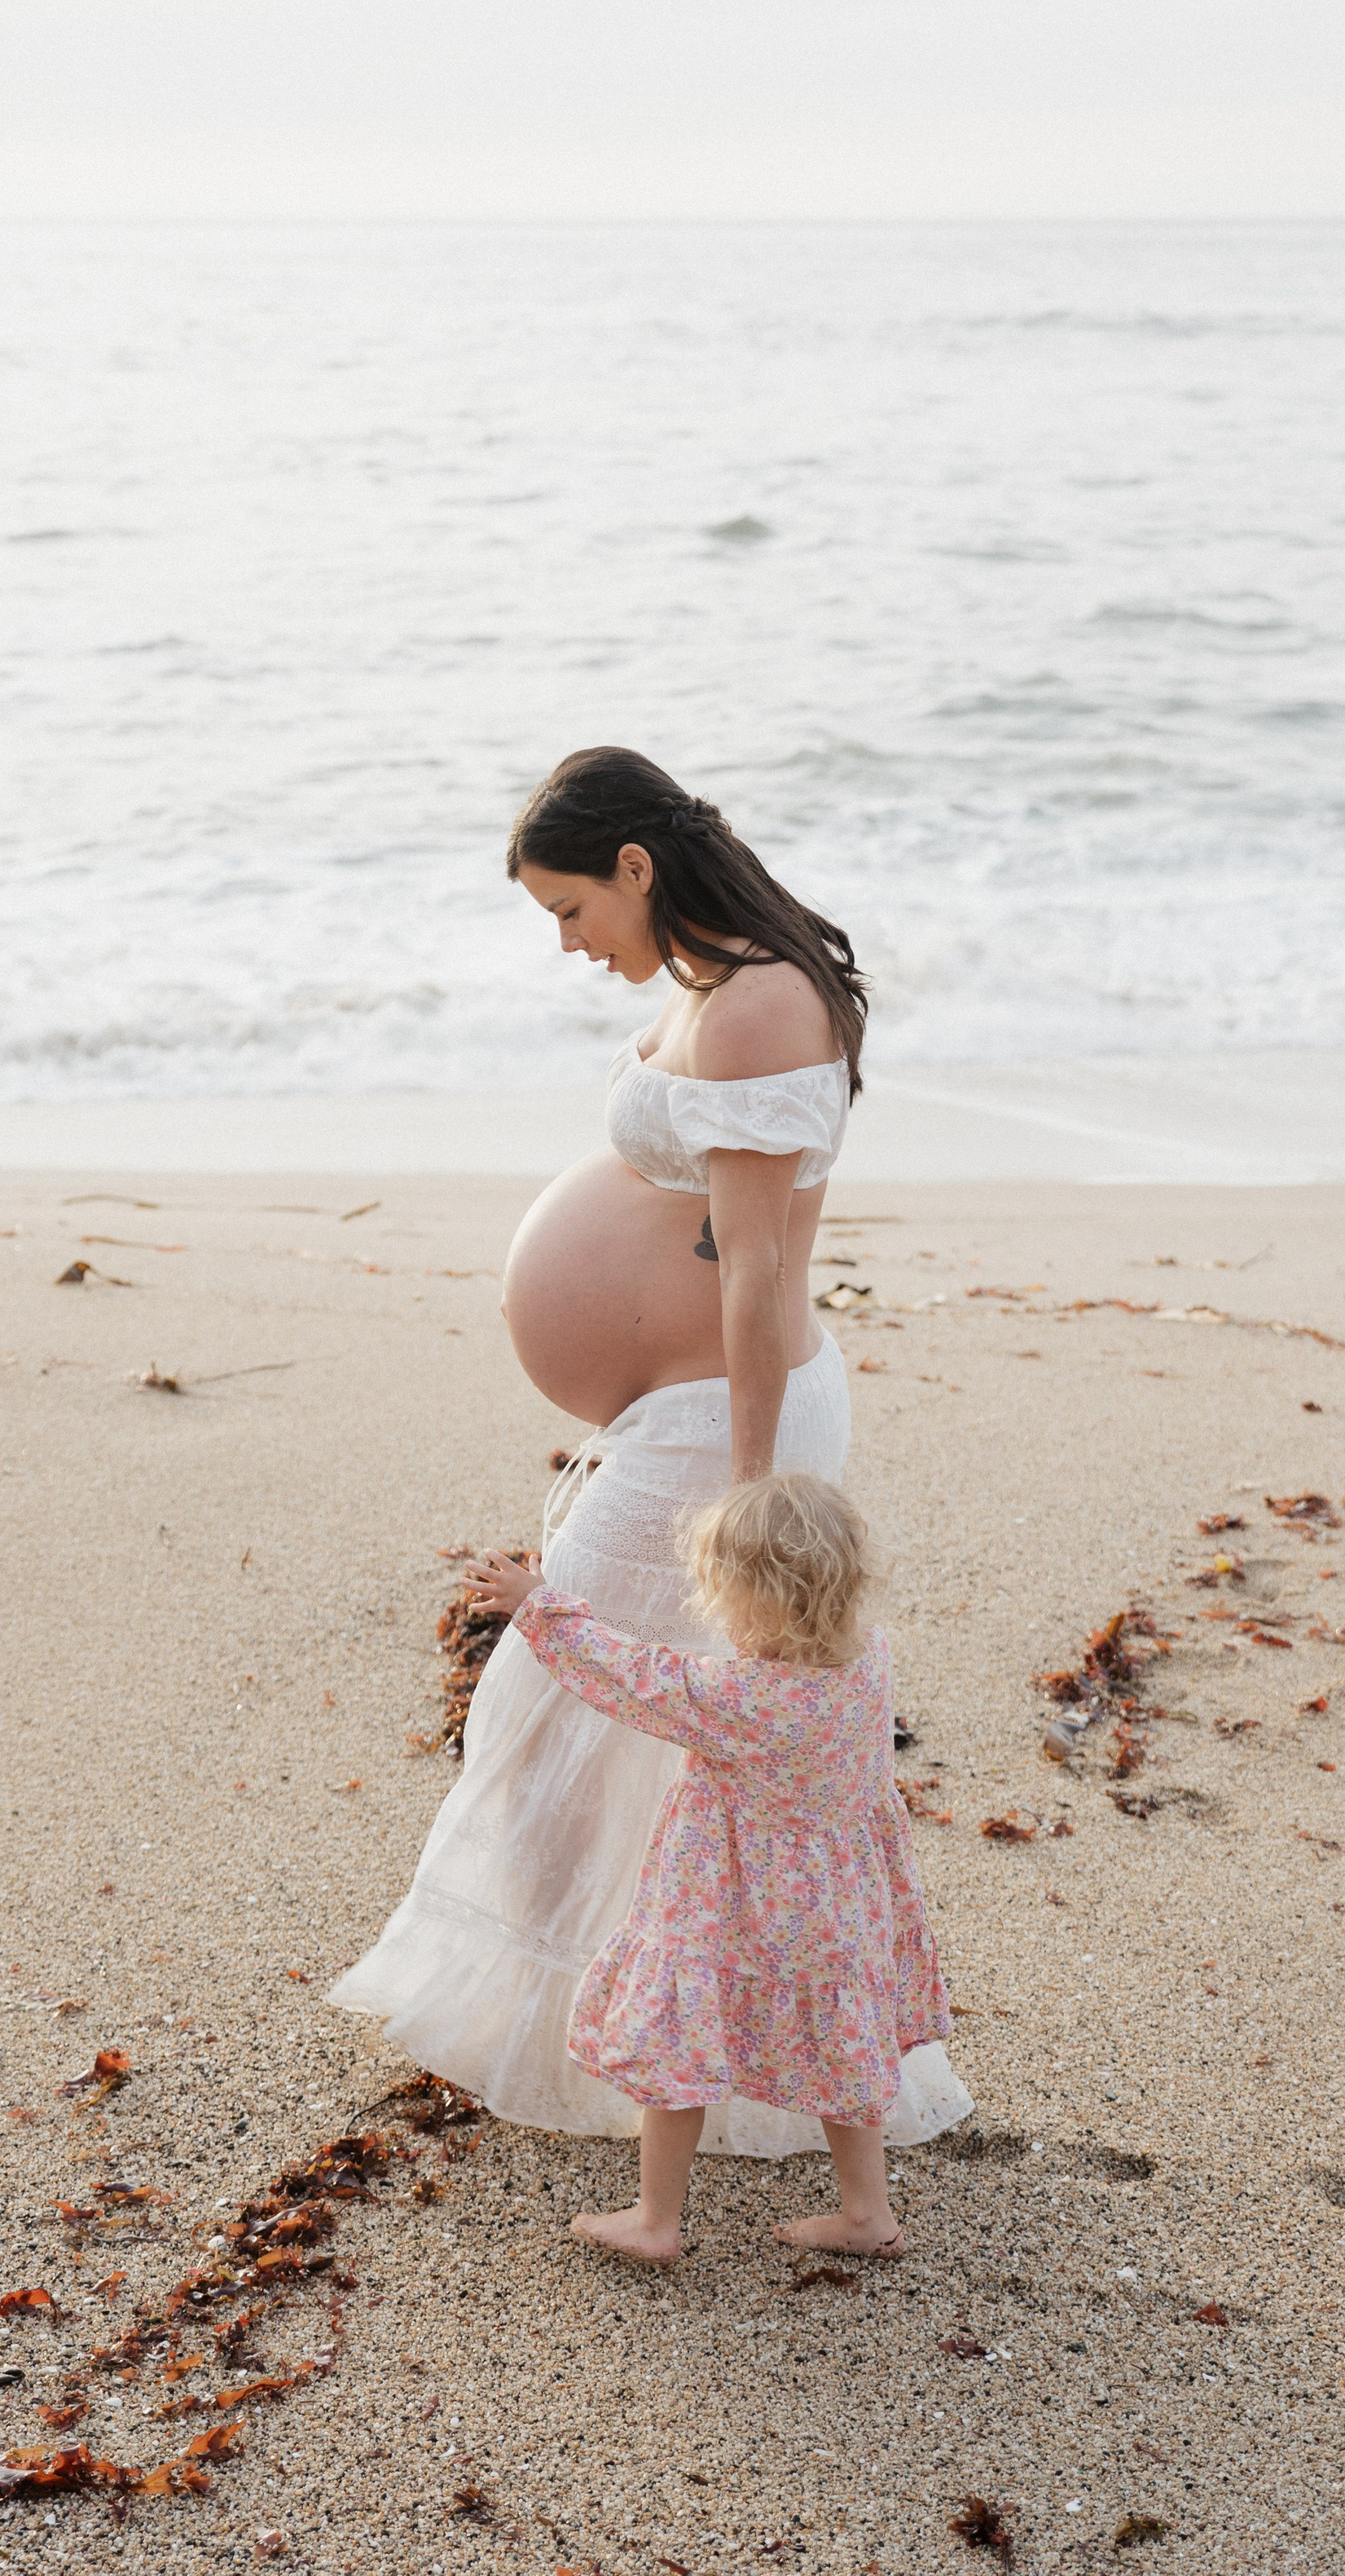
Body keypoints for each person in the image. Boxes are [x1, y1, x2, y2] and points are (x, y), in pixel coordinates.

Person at [329, 747, 970, 2157]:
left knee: (576, 1696)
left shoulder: (757, 1006)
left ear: (633, 868)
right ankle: (613, 2031)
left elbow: (750, 1273)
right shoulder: (719, 985)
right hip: (684, 1412)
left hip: (724, 1427)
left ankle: (601, 2042)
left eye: (568, 911)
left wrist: (753, 1495)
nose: (565, 947)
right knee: (600, 1724)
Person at [461, 1473, 951, 2263]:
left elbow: (631, 1675)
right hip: (841, 1906)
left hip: (730, 1905)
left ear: (752, 1603)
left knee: (677, 2051)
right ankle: (868, 2213)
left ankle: (656, 2218)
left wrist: (534, 1602)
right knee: (841, 2045)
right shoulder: (868, 1663)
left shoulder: (743, 1696)